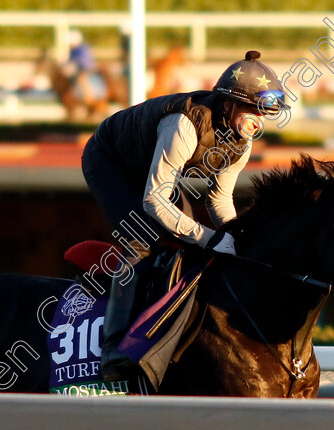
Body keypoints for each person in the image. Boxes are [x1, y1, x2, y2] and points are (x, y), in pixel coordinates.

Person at [81, 50, 290, 381]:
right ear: (226, 105)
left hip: (155, 173)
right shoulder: (184, 124)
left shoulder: (242, 143)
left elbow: (219, 198)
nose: (256, 121)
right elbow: (153, 200)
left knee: (190, 241)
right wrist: (209, 237)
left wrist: (235, 238)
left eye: (262, 113)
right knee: (141, 241)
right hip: (110, 161)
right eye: (251, 110)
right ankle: (113, 349)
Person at [63, 29, 100, 103]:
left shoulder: (82, 49)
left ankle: (89, 98)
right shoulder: (73, 50)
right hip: (78, 70)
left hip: (87, 70)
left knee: (81, 78)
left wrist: (73, 65)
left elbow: (84, 62)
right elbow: (70, 60)